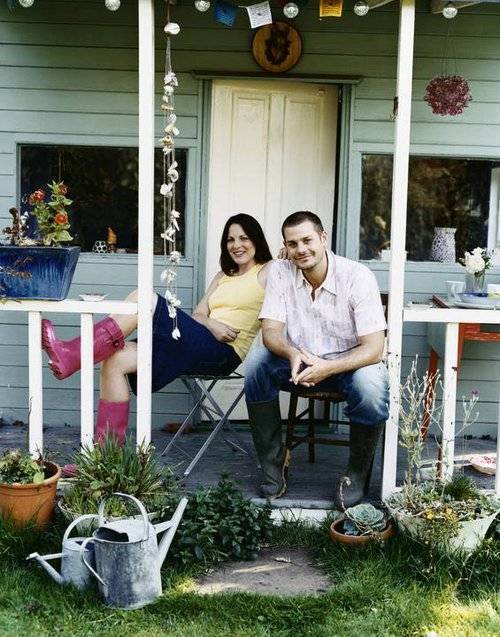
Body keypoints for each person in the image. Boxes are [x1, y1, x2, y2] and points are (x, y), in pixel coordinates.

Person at [41, 213, 273, 444]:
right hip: (202, 338)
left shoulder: (268, 271)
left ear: (256, 240)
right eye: (231, 240)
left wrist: (286, 255)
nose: (237, 245)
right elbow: (199, 315)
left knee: (143, 297)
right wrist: (212, 324)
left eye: (244, 238)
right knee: (116, 359)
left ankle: (73, 354)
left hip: (224, 353)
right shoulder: (223, 275)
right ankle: (105, 458)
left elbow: (297, 262)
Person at [244, 211, 389, 506]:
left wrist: (328, 368)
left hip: (349, 362)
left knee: (371, 387)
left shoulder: (357, 277)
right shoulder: (281, 272)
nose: (301, 249)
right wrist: (292, 352)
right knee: (257, 364)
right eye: (292, 243)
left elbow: (374, 348)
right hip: (300, 359)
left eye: (307, 240)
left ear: (323, 239)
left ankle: (356, 475)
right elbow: (270, 331)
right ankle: (274, 465)